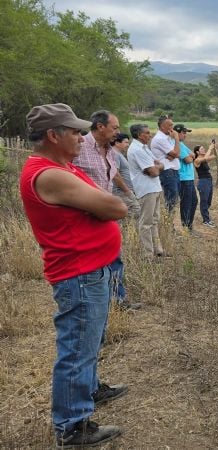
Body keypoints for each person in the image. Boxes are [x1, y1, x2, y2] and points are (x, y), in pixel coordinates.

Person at [20, 103, 127, 447]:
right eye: (76, 132)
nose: (83, 137)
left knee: (89, 340)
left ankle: (90, 389)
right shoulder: (50, 174)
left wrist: (96, 208)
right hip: (79, 273)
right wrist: (99, 209)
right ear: (53, 135)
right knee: (78, 346)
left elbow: (102, 202)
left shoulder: (61, 166)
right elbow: (115, 206)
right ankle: (72, 425)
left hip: (89, 270)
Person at [72, 110, 135, 309]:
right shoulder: (79, 147)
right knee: (92, 265)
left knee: (114, 258)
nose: (118, 132)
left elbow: (113, 176)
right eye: (114, 127)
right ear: (100, 127)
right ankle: (97, 303)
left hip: (106, 217)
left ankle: (117, 300)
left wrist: (126, 194)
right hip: (84, 218)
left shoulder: (110, 152)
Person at [128, 124, 166, 257]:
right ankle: (148, 254)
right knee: (146, 222)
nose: (150, 135)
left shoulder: (144, 148)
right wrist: (160, 166)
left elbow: (157, 164)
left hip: (154, 188)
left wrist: (159, 166)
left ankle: (157, 250)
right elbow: (154, 171)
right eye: (147, 133)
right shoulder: (137, 150)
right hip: (146, 189)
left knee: (154, 220)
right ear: (139, 135)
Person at [149, 115, 181, 215]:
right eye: (170, 125)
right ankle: (167, 223)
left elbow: (177, 153)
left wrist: (173, 155)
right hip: (167, 171)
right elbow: (176, 153)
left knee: (174, 198)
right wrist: (176, 138)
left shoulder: (166, 138)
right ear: (163, 127)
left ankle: (168, 223)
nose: (173, 127)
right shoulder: (160, 138)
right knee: (171, 199)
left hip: (172, 170)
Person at [111, 133, 141, 220]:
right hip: (121, 191)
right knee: (135, 210)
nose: (128, 145)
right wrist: (127, 190)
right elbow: (115, 174)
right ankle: (122, 232)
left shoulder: (119, 154)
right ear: (117, 143)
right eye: (126, 142)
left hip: (125, 191)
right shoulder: (115, 154)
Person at [175, 124, 198, 233]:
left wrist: (191, 156)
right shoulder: (177, 144)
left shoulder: (182, 144)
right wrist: (190, 157)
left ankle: (189, 224)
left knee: (194, 201)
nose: (185, 135)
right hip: (183, 178)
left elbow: (193, 155)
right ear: (177, 132)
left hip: (189, 178)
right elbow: (188, 160)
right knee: (186, 202)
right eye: (184, 133)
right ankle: (186, 226)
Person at [193, 143, 217, 228]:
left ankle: (206, 216)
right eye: (202, 149)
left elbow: (215, 156)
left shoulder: (204, 159)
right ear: (197, 152)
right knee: (204, 201)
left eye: (204, 149)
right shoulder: (197, 160)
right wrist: (210, 148)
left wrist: (214, 147)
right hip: (203, 182)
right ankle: (206, 220)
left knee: (208, 201)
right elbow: (206, 158)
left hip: (209, 181)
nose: (204, 150)